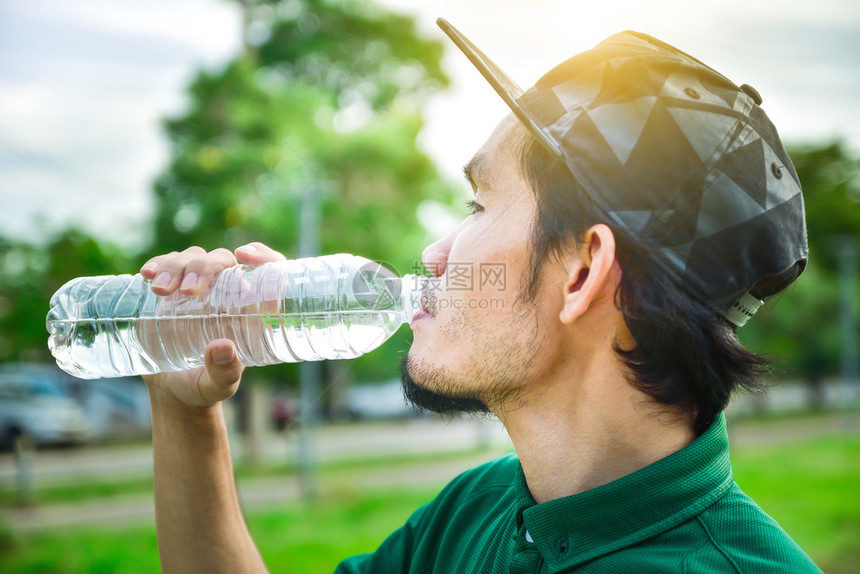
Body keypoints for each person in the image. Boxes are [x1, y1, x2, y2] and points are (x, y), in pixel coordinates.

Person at [139, 19, 823, 573]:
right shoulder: (484, 508)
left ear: (583, 272)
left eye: (478, 203)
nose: (435, 256)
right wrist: (184, 412)